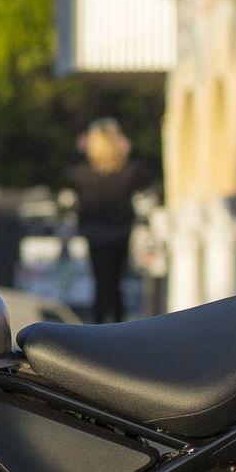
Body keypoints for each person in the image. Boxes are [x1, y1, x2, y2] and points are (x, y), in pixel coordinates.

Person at [68, 118, 146, 324]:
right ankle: (119, 325)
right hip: (120, 231)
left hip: (94, 233)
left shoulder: (84, 173)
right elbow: (143, 169)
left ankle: (100, 325)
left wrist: (78, 151)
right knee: (117, 283)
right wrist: (131, 150)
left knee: (100, 284)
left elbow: (69, 170)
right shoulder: (127, 171)